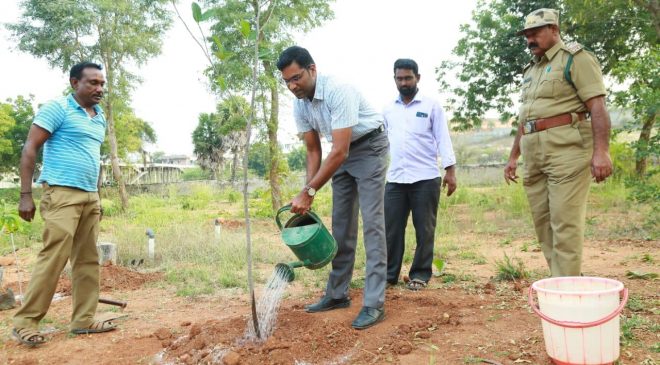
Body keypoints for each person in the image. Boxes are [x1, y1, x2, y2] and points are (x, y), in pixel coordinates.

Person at [277, 46, 388, 329]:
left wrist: (310, 191)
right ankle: (337, 294)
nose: (292, 86)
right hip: (340, 153)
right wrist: (307, 190)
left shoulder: (339, 90)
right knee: (341, 227)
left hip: (368, 148)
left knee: (372, 225)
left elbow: (339, 151)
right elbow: (314, 151)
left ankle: (374, 303)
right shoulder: (300, 103)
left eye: (297, 77)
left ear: (312, 69)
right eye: (287, 81)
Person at [13, 61, 116, 346]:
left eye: (102, 84)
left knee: (88, 259)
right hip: (61, 195)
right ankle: (25, 322)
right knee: (54, 257)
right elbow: (30, 148)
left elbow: (92, 158)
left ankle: (83, 320)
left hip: (88, 196)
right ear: (74, 83)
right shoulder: (57, 108)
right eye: (93, 83)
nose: (99, 88)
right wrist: (25, 195)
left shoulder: (99, 118)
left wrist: (97, 196)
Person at [504, 9, 613, 277]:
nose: (530, 40)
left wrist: (602, 152)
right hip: (534, 154)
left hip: (568, 151)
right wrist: (513, 156)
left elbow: (597, 106)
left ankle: (565, 289)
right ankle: (564, 281)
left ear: (554, 29)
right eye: (526, 35)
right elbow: (526, 117)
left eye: (535, 33)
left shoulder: (576, 58)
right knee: (543, 224)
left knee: (564, 223)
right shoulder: (531, 69)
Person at [383, 59, 457, 290]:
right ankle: (388, 275)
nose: (404, 82)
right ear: (394, 79)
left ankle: (420, 274)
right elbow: (382, 144)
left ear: (418, 78)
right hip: (395, 179)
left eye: (408, 78)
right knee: (391, 229)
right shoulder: (387, 110)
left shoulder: (431, 106)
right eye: (399, 78)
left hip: (425, 178)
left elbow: (442, 138)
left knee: (424, 229)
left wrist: (450, 170)